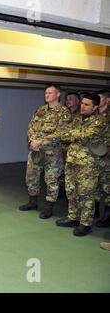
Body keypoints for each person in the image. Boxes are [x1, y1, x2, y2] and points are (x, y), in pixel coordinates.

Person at [54, 93, 107, 236]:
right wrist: (73, 134)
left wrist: (73, 134)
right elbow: (64, 134)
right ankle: (73, 217)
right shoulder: (77, 118)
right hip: (72, 160)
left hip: (88, 164)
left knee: (86, 194)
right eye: (82, 103)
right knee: (71, 190)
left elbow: (85, 136)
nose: (82, 107)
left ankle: (85, 223)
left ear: (95, 107)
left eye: (87, 105)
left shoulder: (99, 121)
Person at [19, 85, 71, 219]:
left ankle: (49, 206)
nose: (47, 95)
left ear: (58, 95)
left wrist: (41, 142)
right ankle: (32, 201)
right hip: (36, 151)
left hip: (52, 153)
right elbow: (31, 126)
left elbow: (62, 133)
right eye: (46, 93)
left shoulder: (63, 112)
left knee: (51, 180)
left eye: (50, 93)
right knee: (31, 176)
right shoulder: (40, 110)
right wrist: (32, 141)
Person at [58, 91, 81, 198]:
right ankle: (62, 190)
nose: (68, 101)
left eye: (71, 99)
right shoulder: (63, 113)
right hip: (61, 147)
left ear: (78, 101)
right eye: (67, 99)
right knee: (61, 170)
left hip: (74, 149)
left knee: (73, 172)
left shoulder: (81, 115)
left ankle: (72, 194)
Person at [95, 89, 110, 227]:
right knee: (96, 185)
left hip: (107, 157)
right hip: (95, 157)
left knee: (107, 187)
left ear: (107, 100)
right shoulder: (95, 116)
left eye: (100, 98)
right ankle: (95, 212)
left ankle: (107, 216)